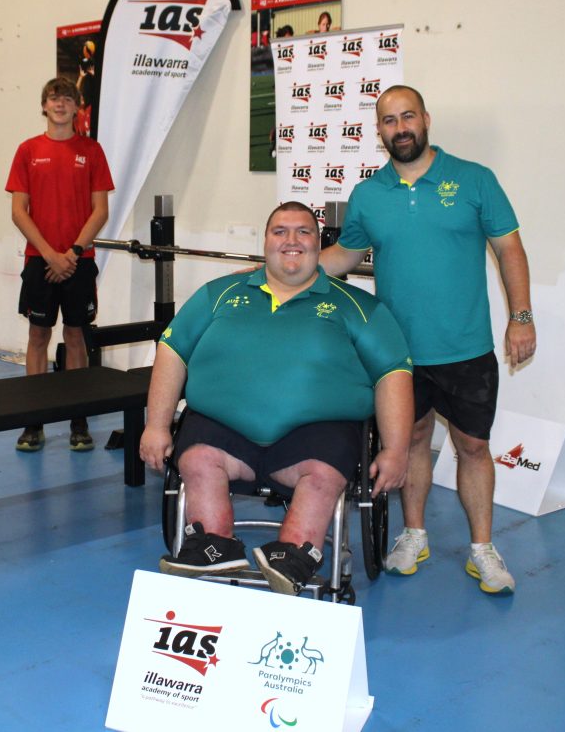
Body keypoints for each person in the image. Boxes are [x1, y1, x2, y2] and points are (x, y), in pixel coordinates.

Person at [320, 85, 535, 595]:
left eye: (407, 116)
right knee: (410, 441)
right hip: (400, 353)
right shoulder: (370, 194)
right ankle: (414, 534)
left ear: (426, 119)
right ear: (379, 131)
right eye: (389, 121)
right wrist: (292, 269)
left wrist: (521, 316)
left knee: (473, 446)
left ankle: (481, 547)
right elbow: (347, 255)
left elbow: (509, 250)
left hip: (466, 348)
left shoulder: (474, 180)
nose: (400, 128)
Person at [141, 202, 414, 596]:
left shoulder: (357, 307)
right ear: (265, 242)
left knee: (323, 472)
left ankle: (296, 553)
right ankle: (213, 545)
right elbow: (172, 350)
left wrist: (396, 448)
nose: (291, 240)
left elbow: (394, 373)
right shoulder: (218, 295)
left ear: (319, 246)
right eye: (280, 231)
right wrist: (156, 424)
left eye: (303, 231)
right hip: (223, 429)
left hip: (315, 436)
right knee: (197, 457)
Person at [6, 76, 113, 451]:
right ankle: (32, 422)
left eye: (67, 98)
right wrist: (50, 254)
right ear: (44, 105)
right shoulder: (27, 150)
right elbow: (19, 212)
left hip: (78, 261)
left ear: (77, 107)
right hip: (41, 261)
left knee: (75, 337)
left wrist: (73, 253)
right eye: (54, 97)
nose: (60, 103)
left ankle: (78, 421)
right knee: (38, 337)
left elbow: (101, 211)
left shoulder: (92, 151)